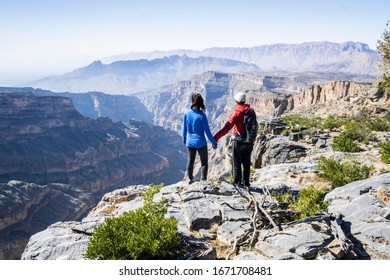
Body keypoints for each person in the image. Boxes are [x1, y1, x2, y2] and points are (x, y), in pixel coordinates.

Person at [214, 92, 256, 189]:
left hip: (239, 141)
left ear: (236, 101)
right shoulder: (251, 111)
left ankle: (237, 183)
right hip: (249, 141)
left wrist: (216, 137)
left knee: (237, 162)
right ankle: (246, 183)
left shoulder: (237, 112)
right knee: (246, 163)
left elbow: (226, 128)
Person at [182, 93, 217, 184]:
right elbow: (207, 132)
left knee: (190, 160)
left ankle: (190, 179)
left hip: (190, 142)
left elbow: (184, 129)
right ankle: (203, 180)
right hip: (201, 143)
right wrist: (214, 142)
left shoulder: (186, 113)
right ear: (201, 102)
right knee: (204, 162)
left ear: (192, 101)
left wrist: (184, 139)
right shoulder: (202, 116)